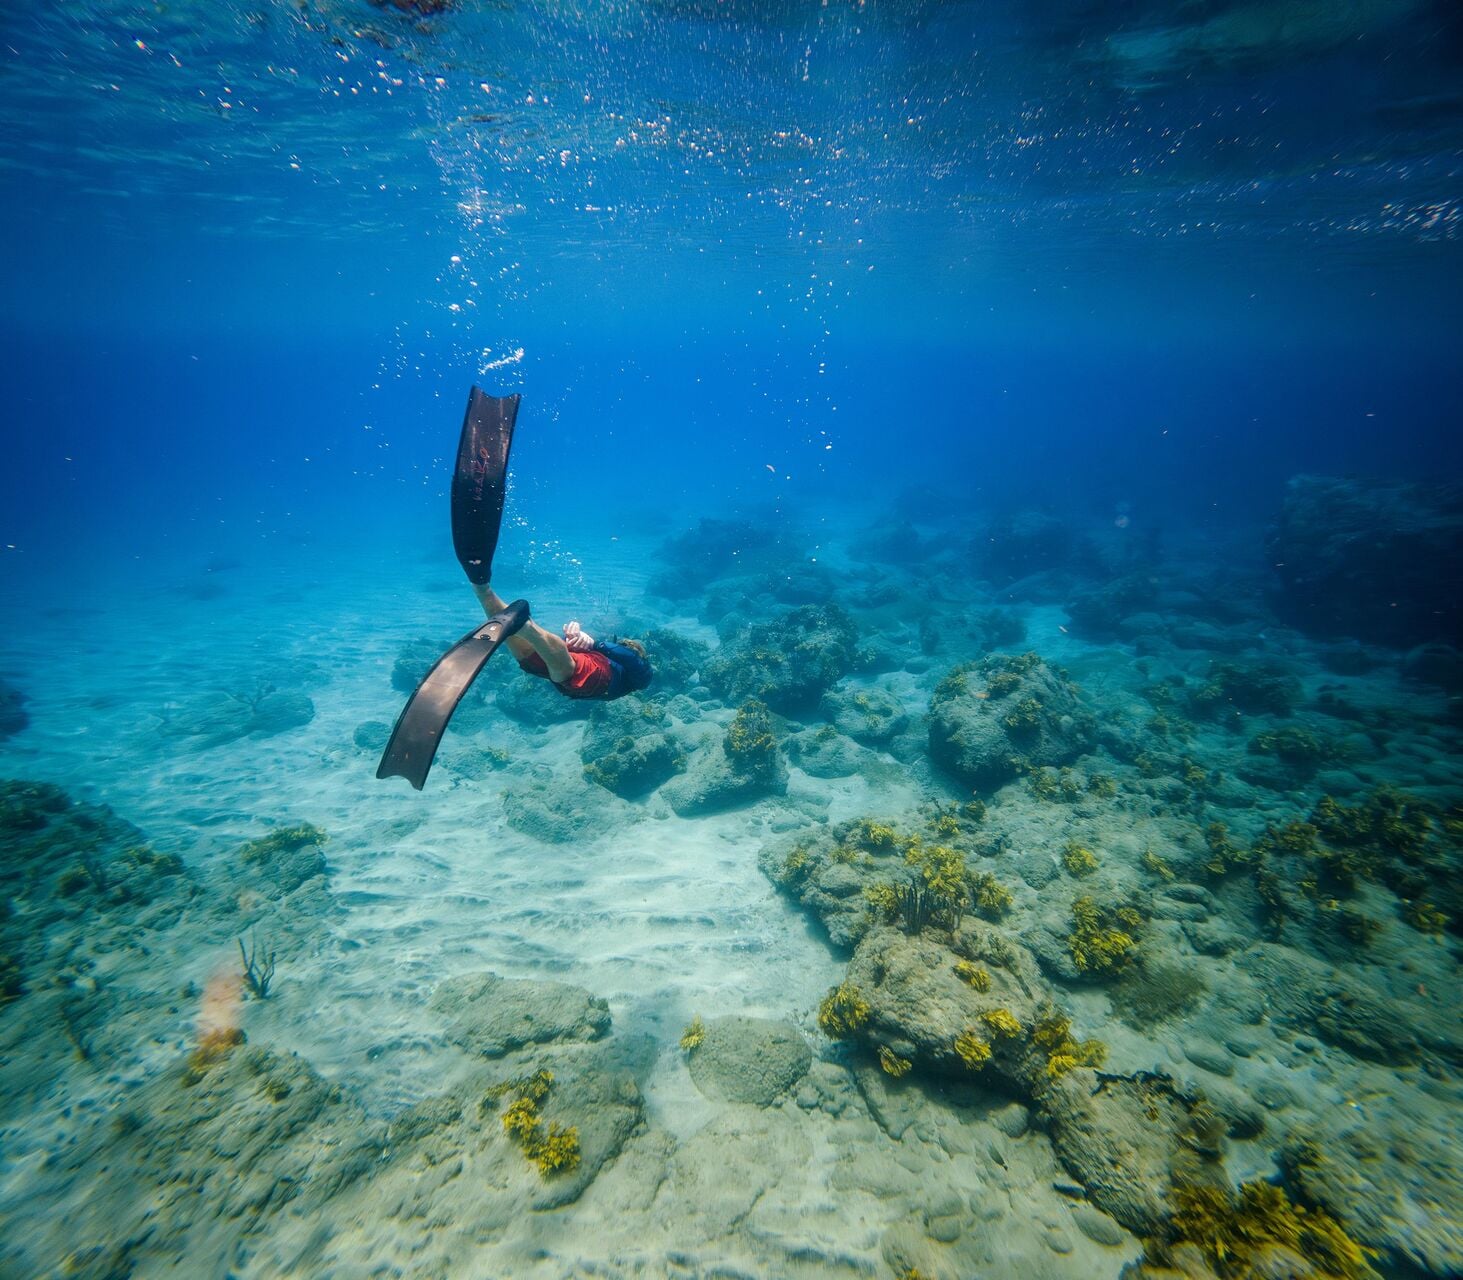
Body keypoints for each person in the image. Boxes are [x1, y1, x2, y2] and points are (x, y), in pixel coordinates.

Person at [471, 582, 652, 701]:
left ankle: (523, 624)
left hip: (597, 677)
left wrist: (596, 644)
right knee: (528, 652)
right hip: (571, 684)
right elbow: (561, 652)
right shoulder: (623, 678)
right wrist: (575, 639)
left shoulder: (636, 669)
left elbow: (632, 659)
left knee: (548, 646)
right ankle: (483, 591)